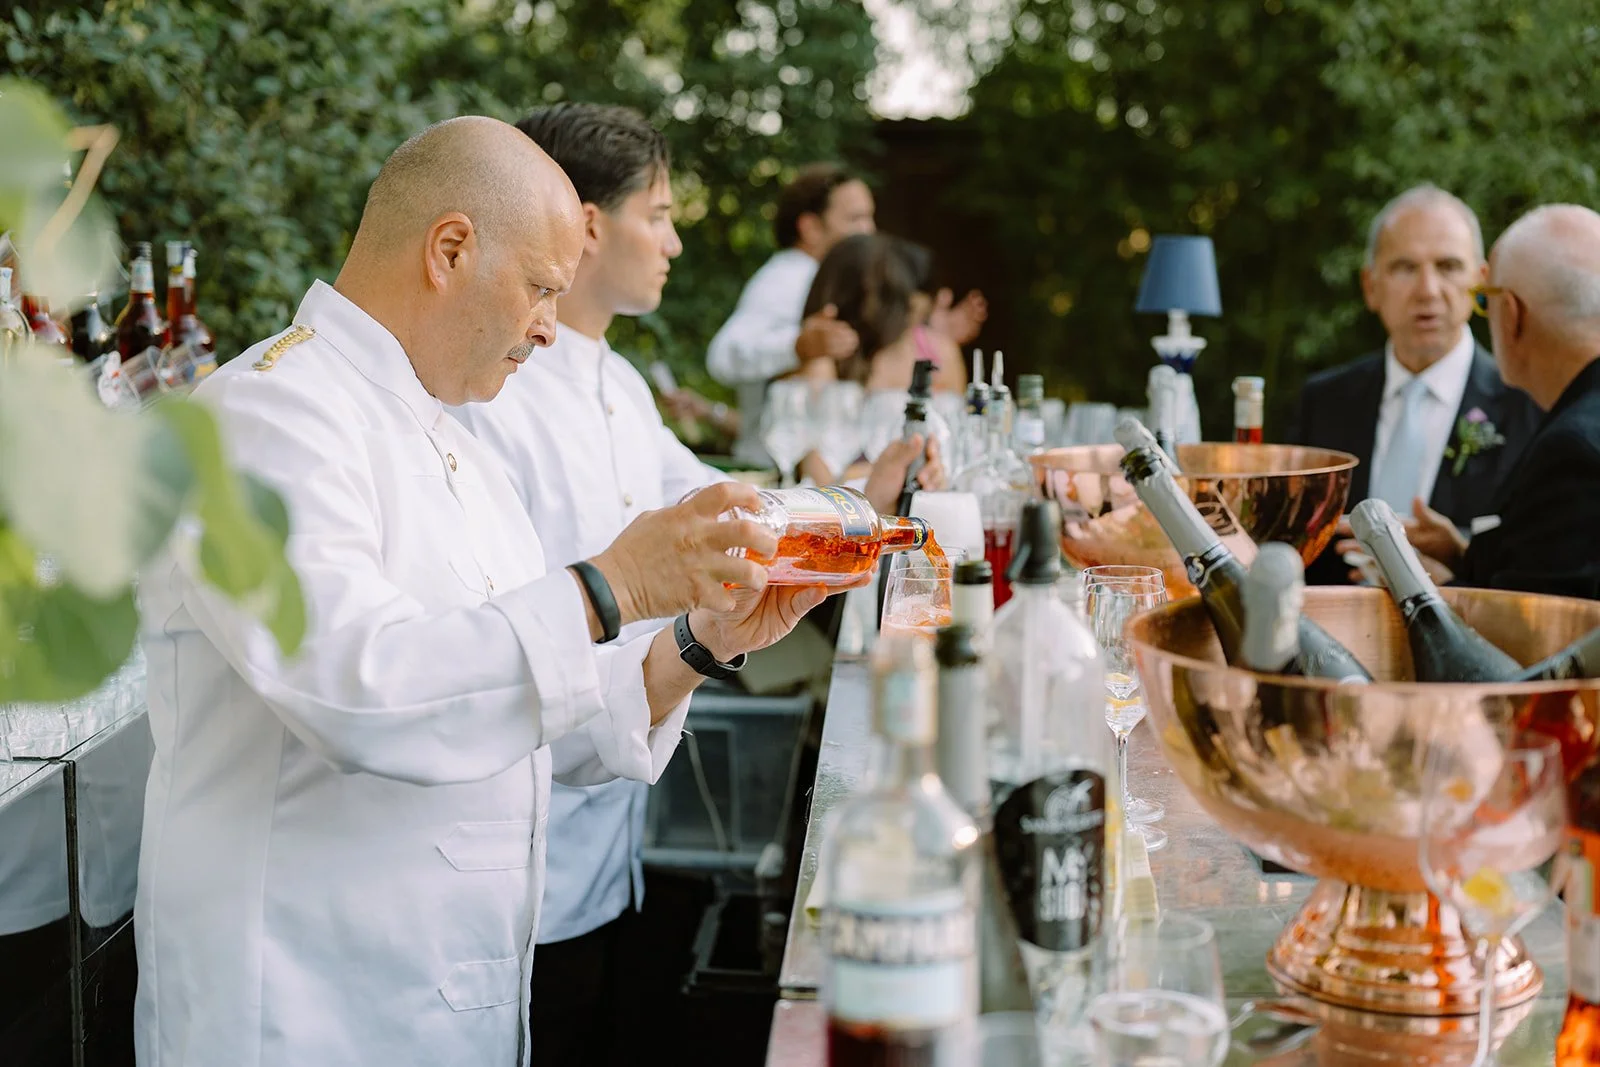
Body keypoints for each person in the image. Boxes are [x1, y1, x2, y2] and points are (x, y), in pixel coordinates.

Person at [133, 116, 845, 1067]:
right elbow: (361, 688)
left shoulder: (457, 436)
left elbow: (539, 711)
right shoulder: (266, 417)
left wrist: (701, 640)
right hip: (302, 1013)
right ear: (451, 249)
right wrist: (613, 585)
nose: (551, 327)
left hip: (446, 1011)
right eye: (543, 287)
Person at [450, 104, 940, 1066]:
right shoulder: (495, 397)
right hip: (522, 836)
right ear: (586, 221)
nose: (675, 241)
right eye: (660, 214)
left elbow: (732, 504)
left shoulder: (620, 384)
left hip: (615, 810)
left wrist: (857, 506)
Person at [1293, 185, 1539, 582]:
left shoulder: (1528, 407)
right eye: (1405, 268)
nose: (1428, 291)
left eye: (1448, 267)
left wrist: (1460, 567)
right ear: (1371, 286)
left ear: (1480, 282)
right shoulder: (1324, 402)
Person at [700, 163, 985, 463]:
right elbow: (723, 356)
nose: (870, 230)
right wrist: (799, 346)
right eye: (856, 218)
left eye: (870, 216)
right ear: (810, 227)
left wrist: (921, 331)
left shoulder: (843, 279)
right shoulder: (787, 278)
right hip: (780, 467)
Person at [1405, 204, 1600, 597]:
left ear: (1511, 314)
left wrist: (1433, 591)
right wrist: (1463, 555)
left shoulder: (1573, 450)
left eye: (1484, 299)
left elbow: (1539, 625)